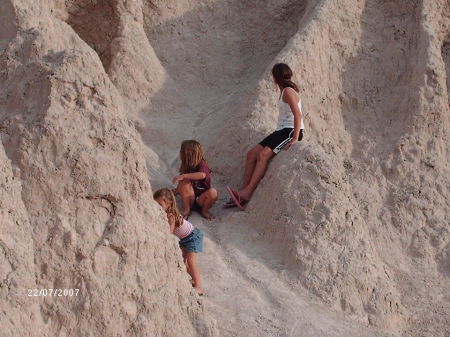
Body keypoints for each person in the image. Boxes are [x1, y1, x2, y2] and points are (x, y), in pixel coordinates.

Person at [226, 63, 305, 209]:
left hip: (290, 131)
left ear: (275, 77)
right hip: (280, 130)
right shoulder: (284, 91)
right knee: (251, 155)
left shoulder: (288, 91)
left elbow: (298, 115)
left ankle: (247, 193)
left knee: (263, 156)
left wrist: (294, 138)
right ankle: (242, 193)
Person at [153, 188, 204, 296]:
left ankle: (199, 287)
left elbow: (169, 233)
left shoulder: (171, 216)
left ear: (169, 203)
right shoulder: (165, 214)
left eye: (160, 204)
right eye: (156, 204)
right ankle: (194, 279)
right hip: (185, 238)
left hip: (193, 236)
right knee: (181, 263)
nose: (158, 207)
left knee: (191, 261)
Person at [172, 140, 218, 220]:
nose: (180, 153)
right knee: (184, 181)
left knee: (213, 192)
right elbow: (183, 186)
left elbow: (202, 175)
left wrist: (184, 175)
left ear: (189, 154)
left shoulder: (201, 164)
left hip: (202, 200)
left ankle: (204, 211)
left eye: (182, 151)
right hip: (191, 199)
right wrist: (177, 191)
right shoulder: (186, 165)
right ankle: (187, 209)